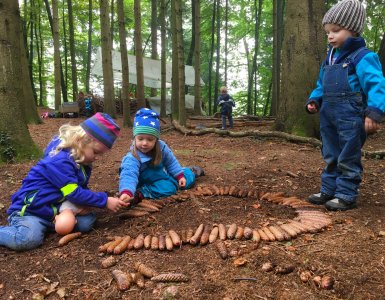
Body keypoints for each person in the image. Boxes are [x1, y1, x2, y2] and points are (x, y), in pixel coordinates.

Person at [0, 113, 128, 251]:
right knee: (28, 240)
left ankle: (55, 222)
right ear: (82, 140)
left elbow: (76, 189)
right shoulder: (60, 161)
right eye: (96, 152)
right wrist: (104, 201)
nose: (97, 158)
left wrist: (83, 204)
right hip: (34, 210)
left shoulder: (80, 159)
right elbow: (73, 192)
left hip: (56, 206)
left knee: (87, 223)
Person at [305, 0, 385, 211]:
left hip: (351, 117)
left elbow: (376, 84)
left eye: (336, 30)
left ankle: (346, 193)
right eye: (327, 32)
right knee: (330, 153)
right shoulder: (330, 58)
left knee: (348, 155)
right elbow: (321, 84)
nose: (330, 36)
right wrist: (315, 99)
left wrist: (374, 112)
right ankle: (329, 189)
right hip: (329, 115)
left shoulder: (363, 57)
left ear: (353, 30)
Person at [119, 108, 204, 204]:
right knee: (168, 188)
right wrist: (127, 191)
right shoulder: (132, 157)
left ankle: (191, 171)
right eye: (140, 138)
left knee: (185, 179)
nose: (144, 143)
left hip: (163, 174)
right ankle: (141, 194)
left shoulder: (161, 147)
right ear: (135, 138)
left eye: (150, 139)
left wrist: (180, 176)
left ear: (156, 139)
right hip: (146, 183)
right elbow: (129, 174)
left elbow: (171, 162)